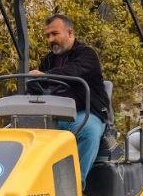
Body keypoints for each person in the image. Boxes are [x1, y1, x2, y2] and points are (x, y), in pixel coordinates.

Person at [30, 13, 109, 184]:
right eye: (48, 36)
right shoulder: (48, 60)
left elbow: (73, 72)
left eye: (55, 34)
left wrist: (45, 75)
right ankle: (36, 184)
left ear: (70, 33)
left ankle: (74, 186)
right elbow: (40, 87)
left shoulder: (87, 55)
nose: (50, 39)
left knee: (89, 132)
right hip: (55, 114)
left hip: (85, 112)